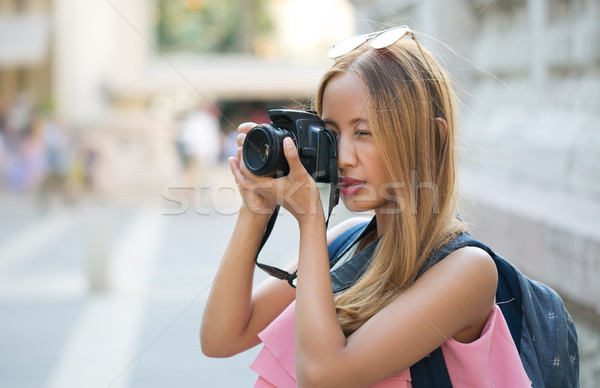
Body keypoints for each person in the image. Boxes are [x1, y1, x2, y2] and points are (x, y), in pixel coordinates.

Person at [200, 26, 531, 387]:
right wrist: (255, 206)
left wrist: (311, 218)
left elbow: (323, 376)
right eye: (332, 134)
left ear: (432, 137)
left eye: (365, 132)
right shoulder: (347, 244)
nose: (342, 158)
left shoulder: (467, 270)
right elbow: (221, 338)